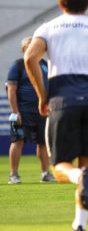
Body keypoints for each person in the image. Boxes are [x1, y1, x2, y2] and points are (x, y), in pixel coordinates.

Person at [24, 0, 88, 231]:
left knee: (59, 168)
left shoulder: (48, 28)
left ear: (60, 0)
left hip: (62, 99)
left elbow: (30, 58)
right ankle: (80, 224)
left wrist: (43, 95)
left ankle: (78, 177)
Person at [6, 36, 55, 184]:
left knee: (43, 142)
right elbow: (11, 90)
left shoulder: (45, 65)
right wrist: (15, 112)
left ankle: (45, 173)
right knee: (17, 141)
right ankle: (13, 174)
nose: (33, 47)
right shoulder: (18, 66)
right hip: (23, 111)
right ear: (23, 49)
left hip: (42, 110)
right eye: (29, 45)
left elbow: (50, 86)